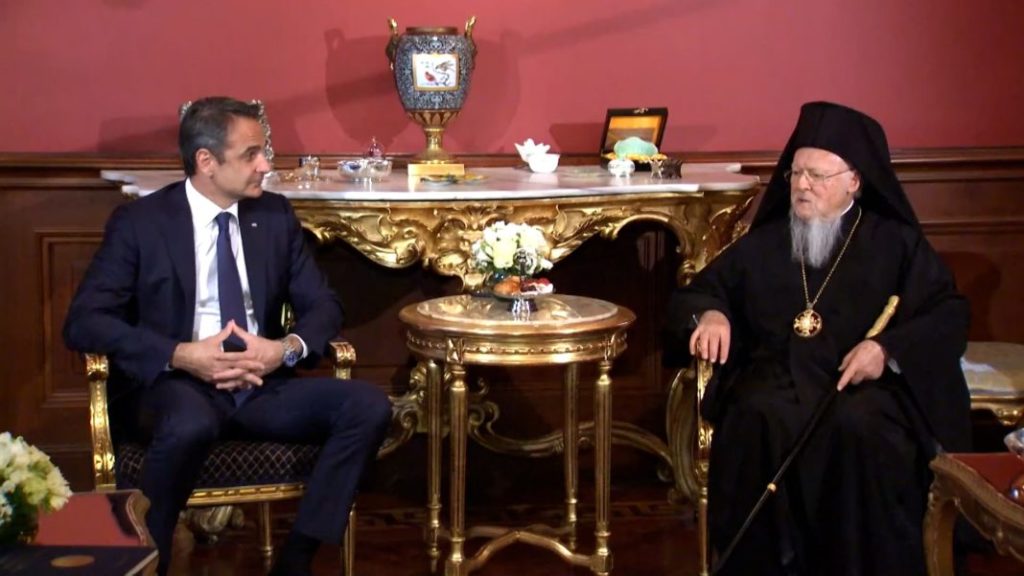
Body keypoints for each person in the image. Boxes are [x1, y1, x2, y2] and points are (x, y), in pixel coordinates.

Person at [63, 97, 392, 576]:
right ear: (206, 161)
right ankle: (148, 561)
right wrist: (180, 354)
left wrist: (283, 349)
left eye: (264, 153)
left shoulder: (274, 216)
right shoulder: (141, 223)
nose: (265, 166)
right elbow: (85, 321)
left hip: (261, 384)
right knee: (190, 424)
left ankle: (296, 560)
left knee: (368, 406)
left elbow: (324, 305)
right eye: (251, 154)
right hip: (175, 385)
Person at [665, 101, 971, 576]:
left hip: (862, 388)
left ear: (855, 181)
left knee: (859, 428)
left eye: (818, 176)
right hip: (775, 381)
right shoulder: (766, 243)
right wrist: (712, 314)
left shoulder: (895, 243)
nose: (802, 185)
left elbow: (948, 314)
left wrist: (886, 350)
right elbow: (701, 290)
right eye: (796, 173)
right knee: (757, 415)